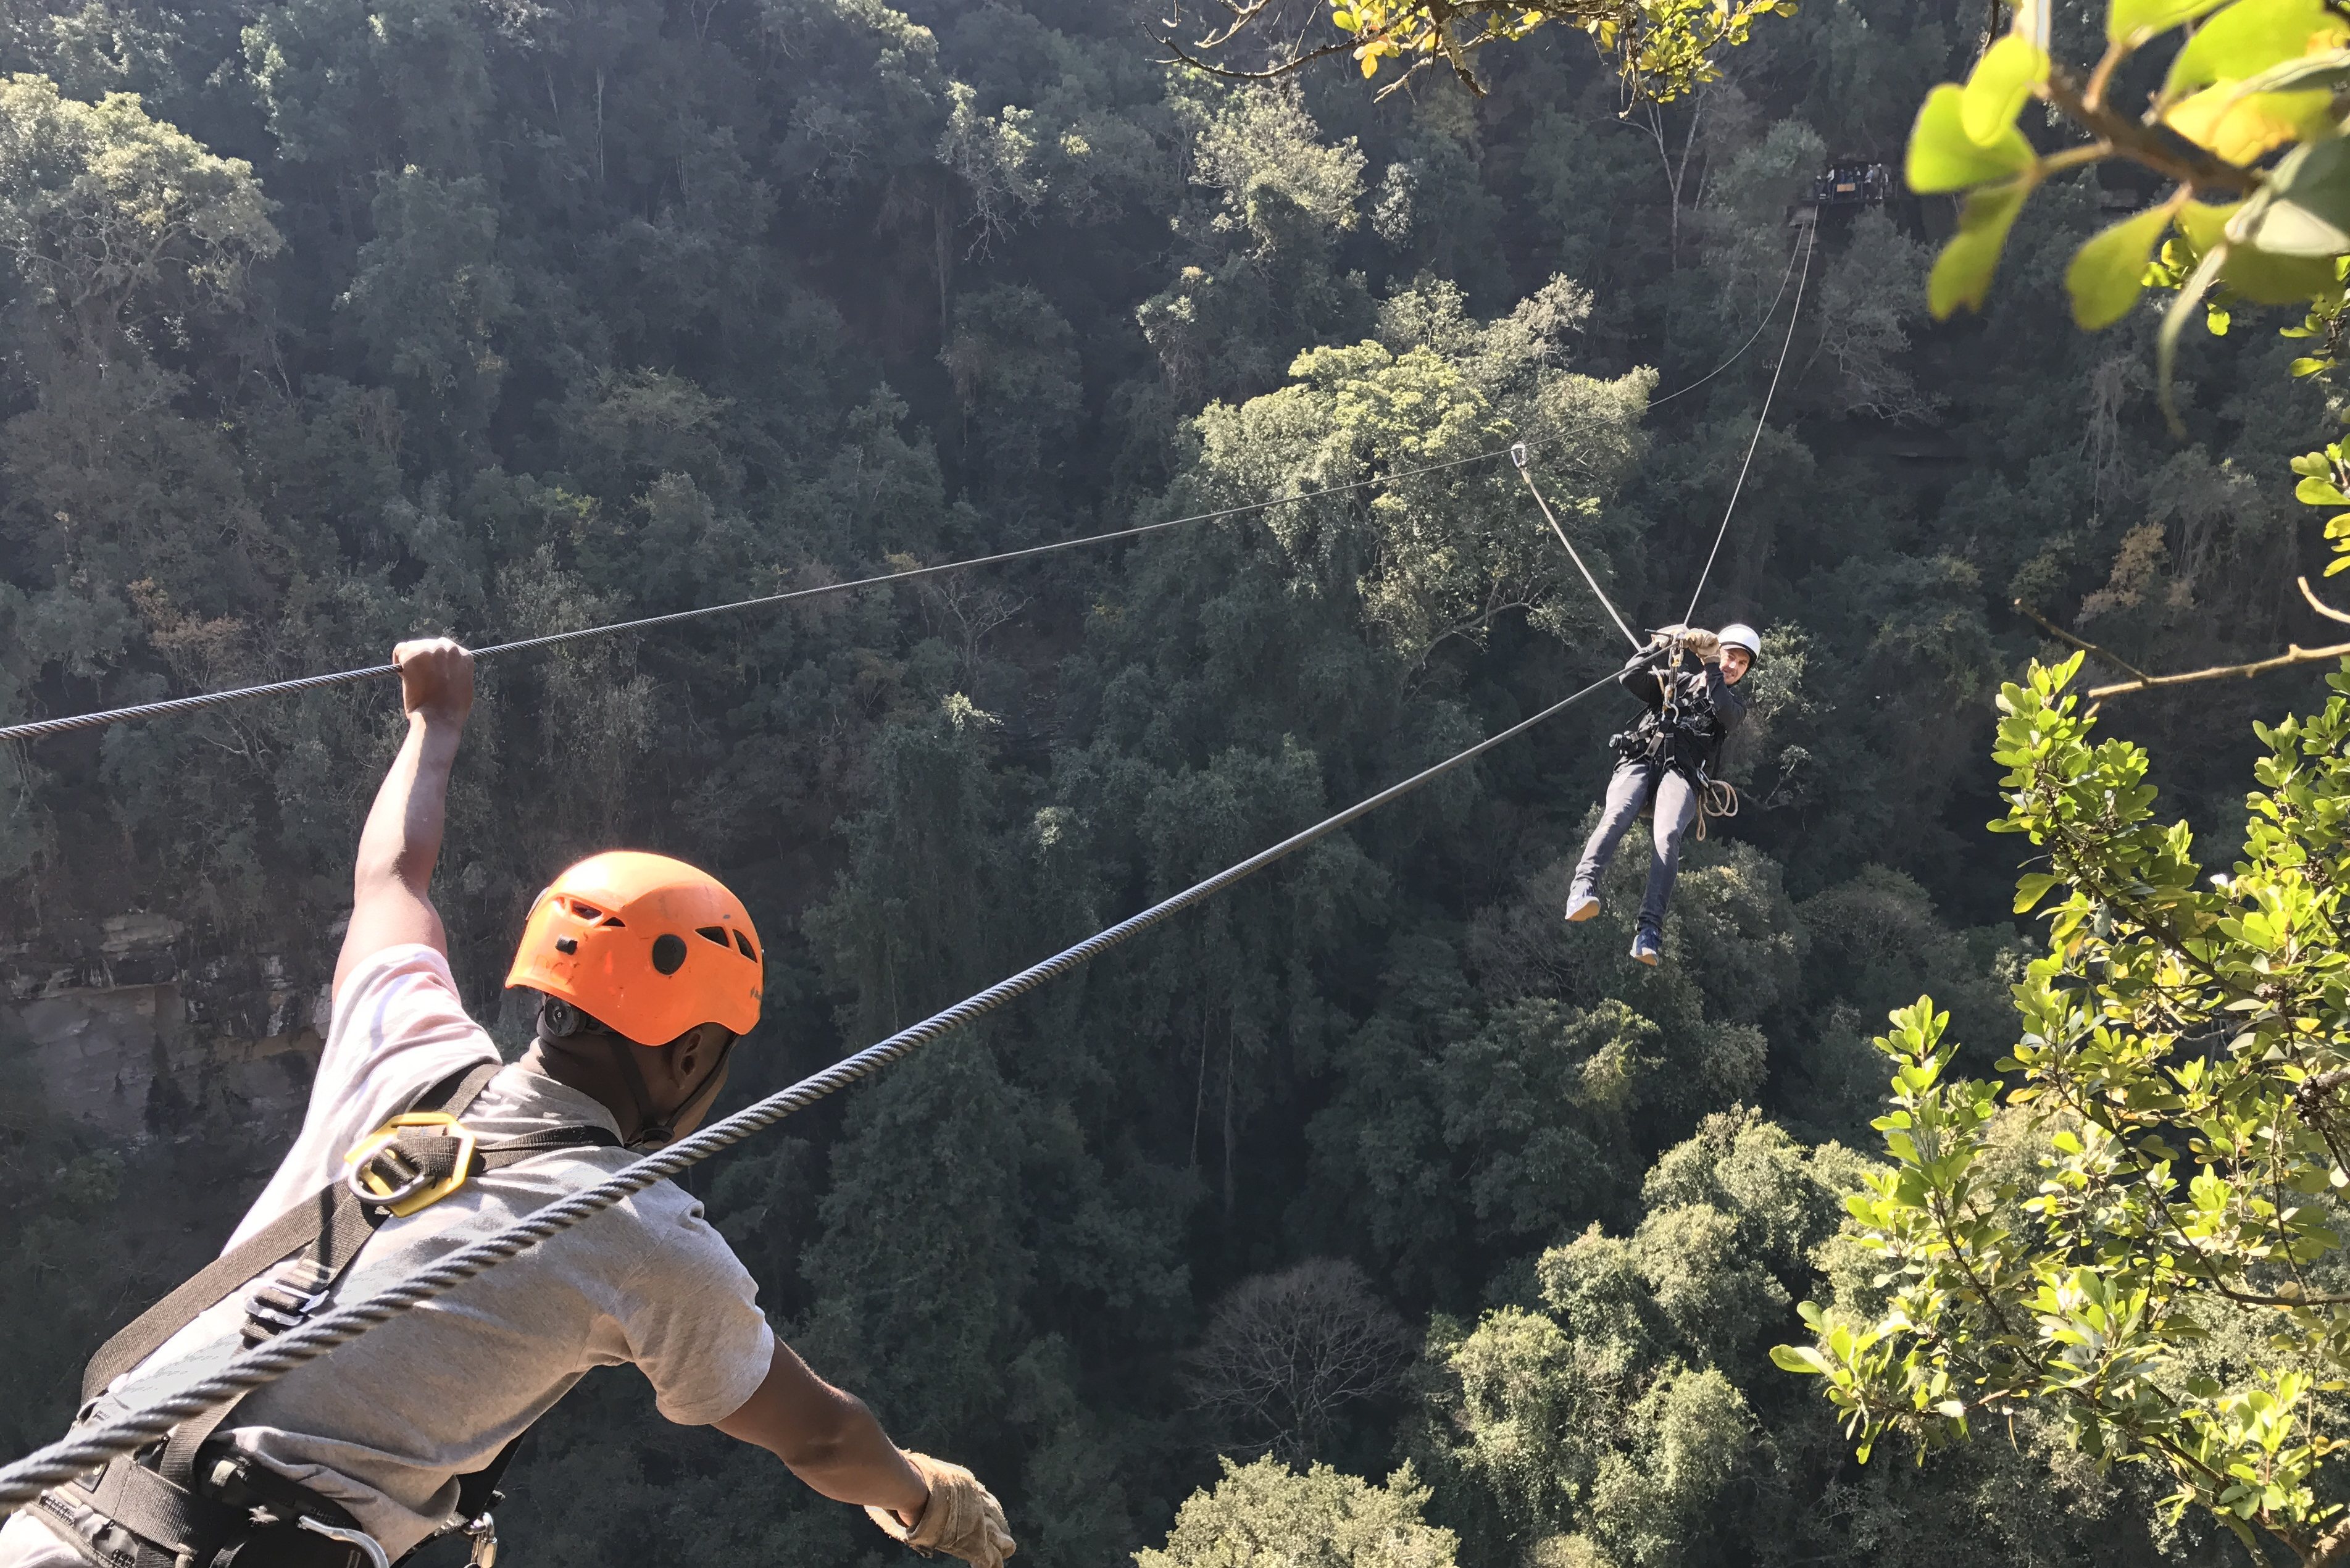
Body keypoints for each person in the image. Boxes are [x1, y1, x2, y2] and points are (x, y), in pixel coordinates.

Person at [1, 639, 1014, 1568]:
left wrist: (433, 726)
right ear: (695, 1050)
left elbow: (392, 876)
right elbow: (824, 1434)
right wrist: (927, 1500)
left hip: (55, 1518)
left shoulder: (409, 1049)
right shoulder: (636, 1232)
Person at [1564, 622, 1760, 966]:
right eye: (1731, 656)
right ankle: (1583, 887)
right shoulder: (1677, 682)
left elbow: (1722, 708)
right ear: (1719, 652)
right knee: (1618, 814)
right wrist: (1658, 645)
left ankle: (1649, 930)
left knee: (1668, 835)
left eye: (1741, 664)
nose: (1733, 666)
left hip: (1681, 775)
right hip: (1640, 760)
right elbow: (1630, 677)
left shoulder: (1733, 707)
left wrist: (1713, 663)